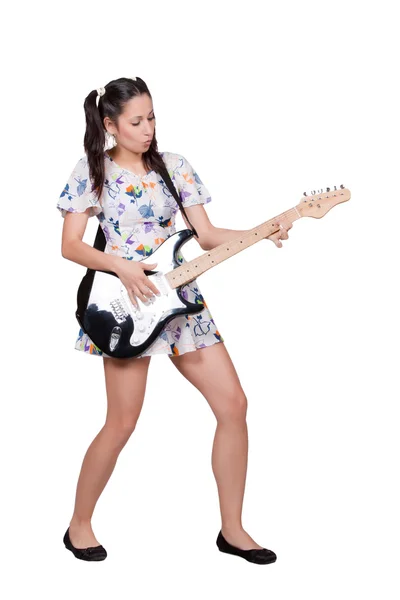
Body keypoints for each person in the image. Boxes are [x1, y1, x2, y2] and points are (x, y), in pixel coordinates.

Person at [57, 76, 292, 564]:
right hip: (128, 307)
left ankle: (233, 530)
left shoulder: (174, 166)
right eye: (137, 121)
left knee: (234, 404)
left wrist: (262, 232)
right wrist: (120, 265)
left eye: (152, 117)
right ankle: (79, 525)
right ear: (111, 125)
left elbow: (204, 235)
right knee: (122, 422)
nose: (148, 129)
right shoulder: (92, 171)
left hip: (182, 301)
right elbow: (70, 245)